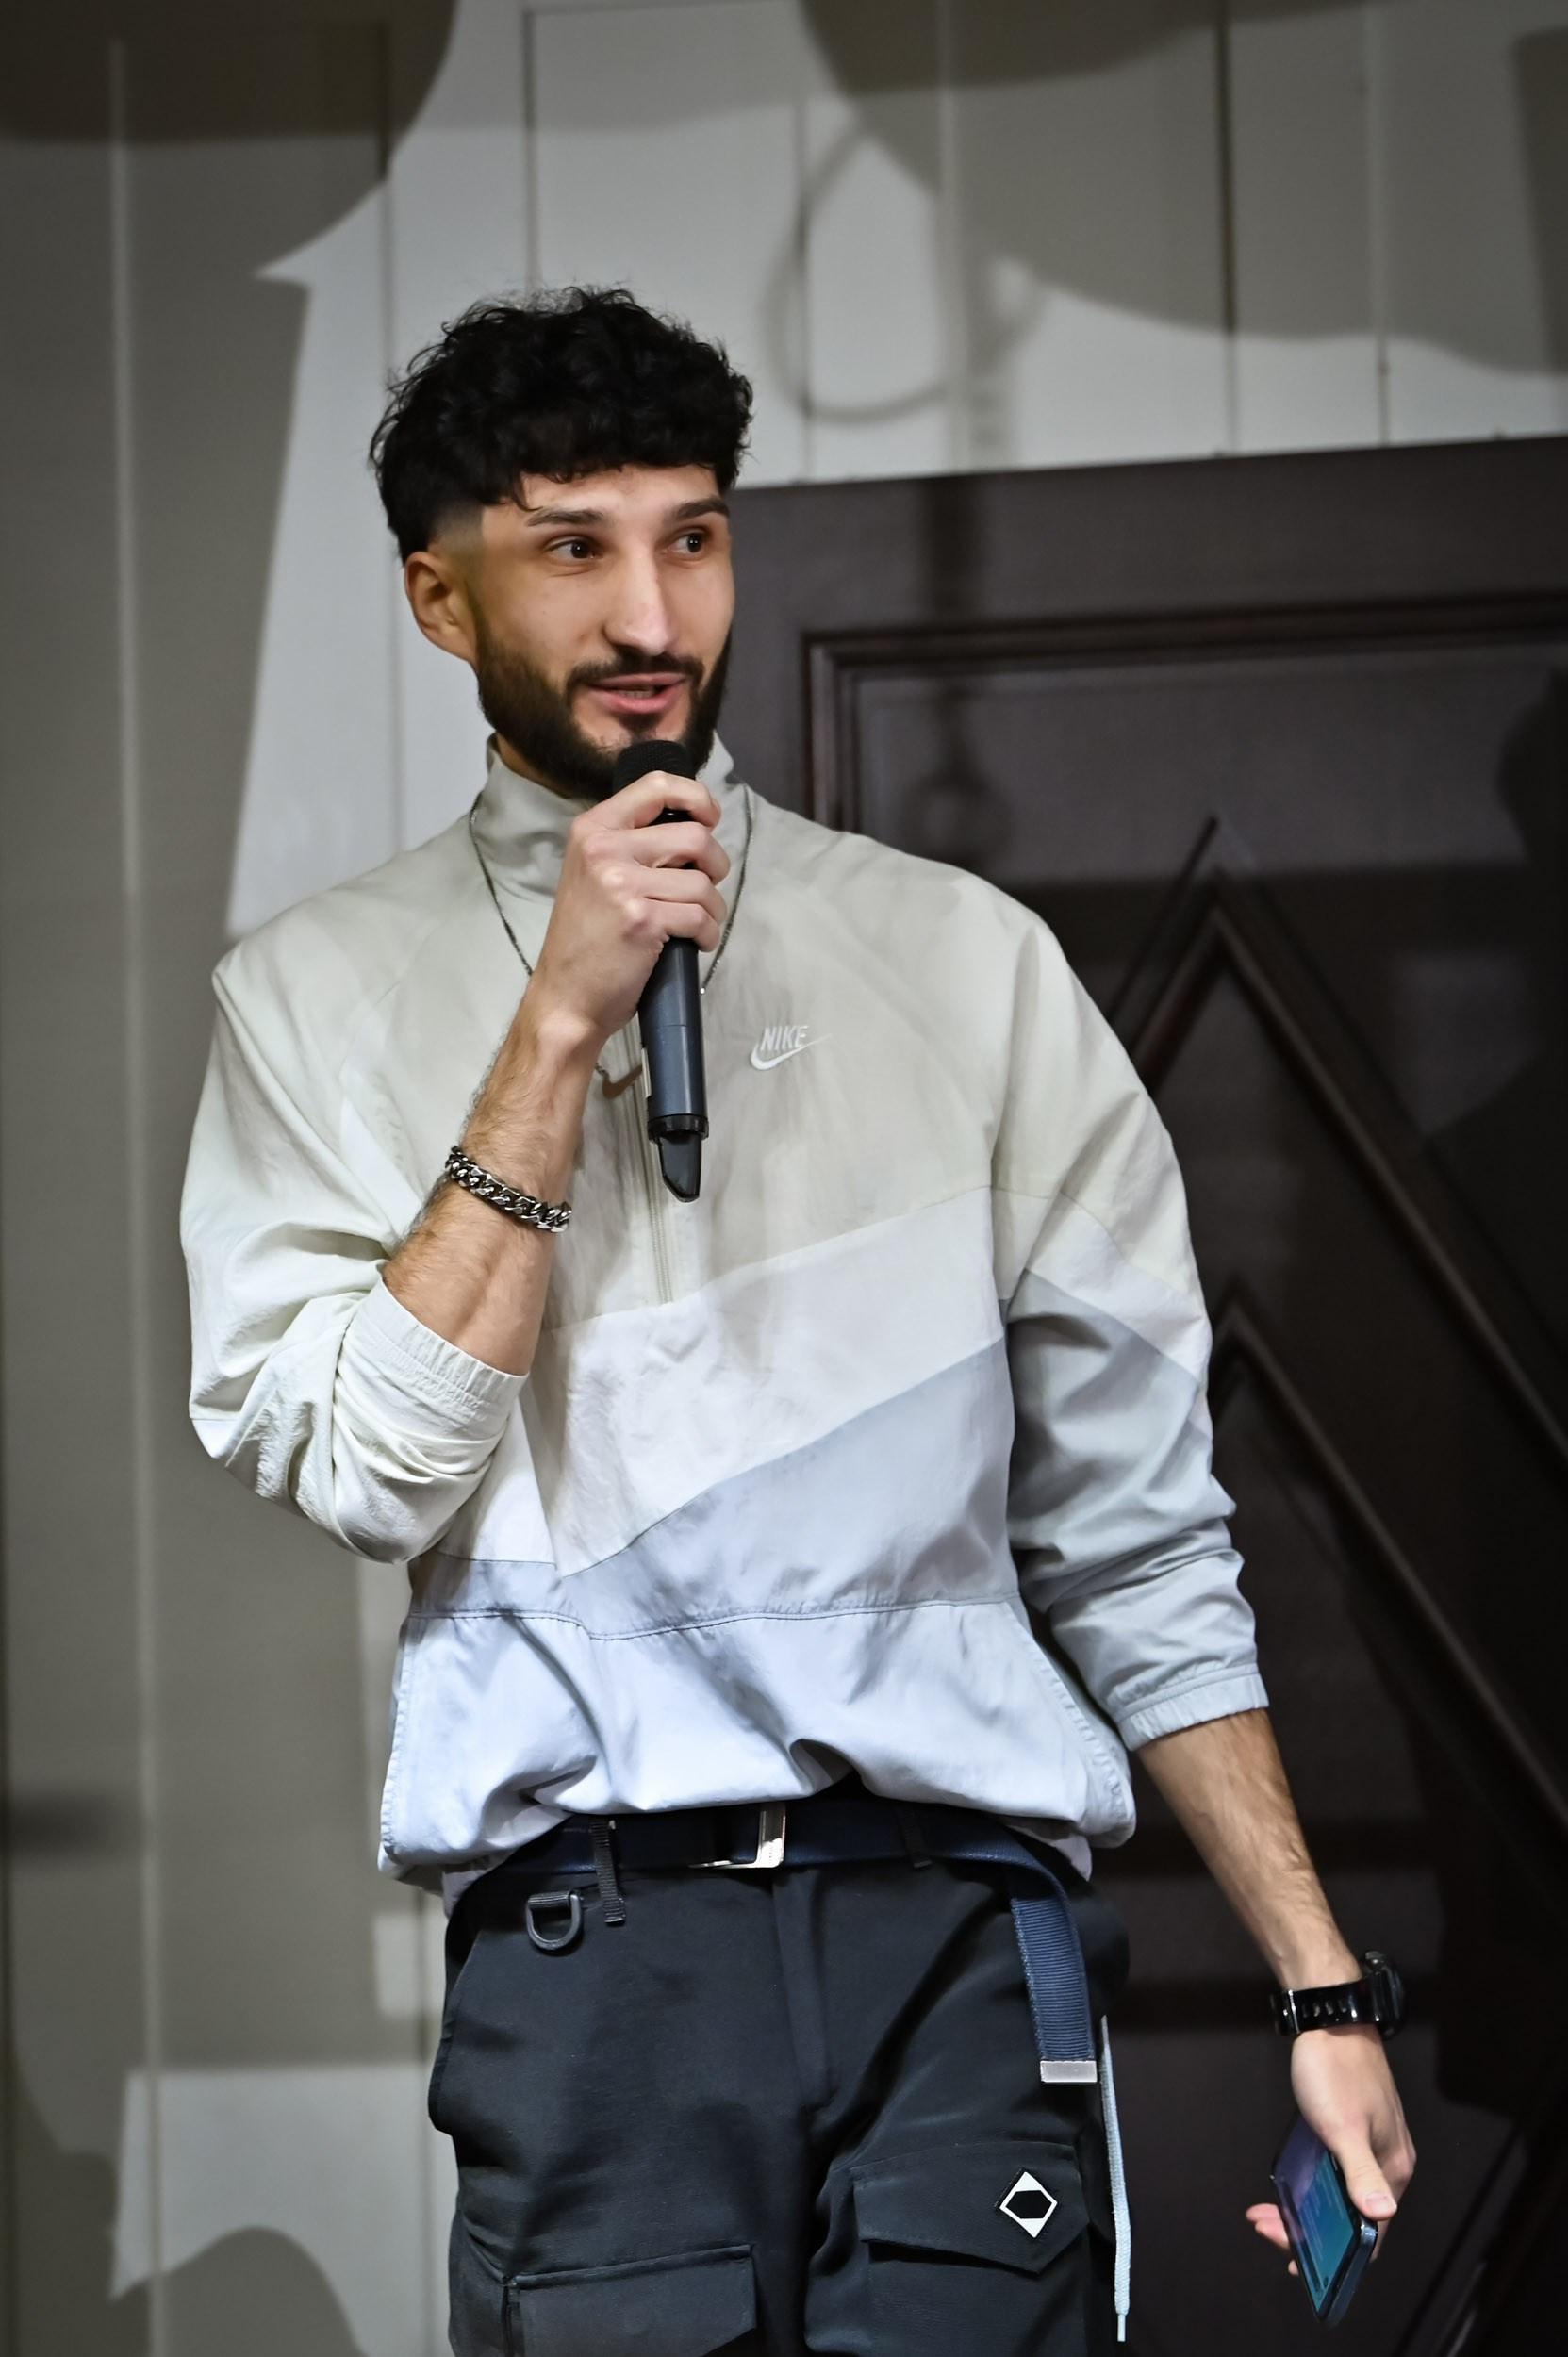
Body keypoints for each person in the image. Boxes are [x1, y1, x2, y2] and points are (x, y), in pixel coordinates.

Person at [181, 287, 1413, 2356]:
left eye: (693, 536)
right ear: (438, 593)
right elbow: (375, 1474)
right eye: (572, 547)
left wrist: (1320, 1980)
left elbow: (1134, 1540)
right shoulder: (305, 998)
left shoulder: (969, 963)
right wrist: (555, 1025)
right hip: (593, 1959)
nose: (651, 613)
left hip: (957, 1938)